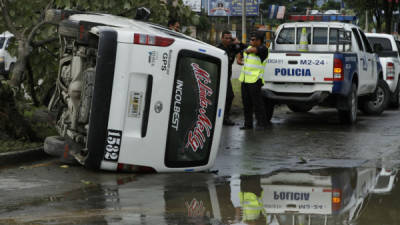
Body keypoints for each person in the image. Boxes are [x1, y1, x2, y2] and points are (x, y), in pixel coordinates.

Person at [237, 31, 269, 130]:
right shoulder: (249, 47)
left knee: (257, 104)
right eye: (250, 39)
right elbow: (241, 53)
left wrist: (246, 50)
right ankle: (248, 124)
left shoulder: (263, 49)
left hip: (255, 80)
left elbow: (252, 50)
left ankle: (262, 124)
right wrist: (239, 58)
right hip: (245, 80)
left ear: (259, 41)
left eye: (253, 40)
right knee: (246, 104)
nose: (251, 41)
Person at [217, 30, 246, 126]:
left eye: (230, 38)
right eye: (226, 38)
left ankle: (225, 118)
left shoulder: (232, 47)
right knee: (219, 97)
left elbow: (245, 48)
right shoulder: (217, 49)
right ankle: (219, 118)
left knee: (229, 96)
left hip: (226, 78)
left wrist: (238, 42)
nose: (228, 40)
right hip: (217, 78)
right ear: (222, 39)